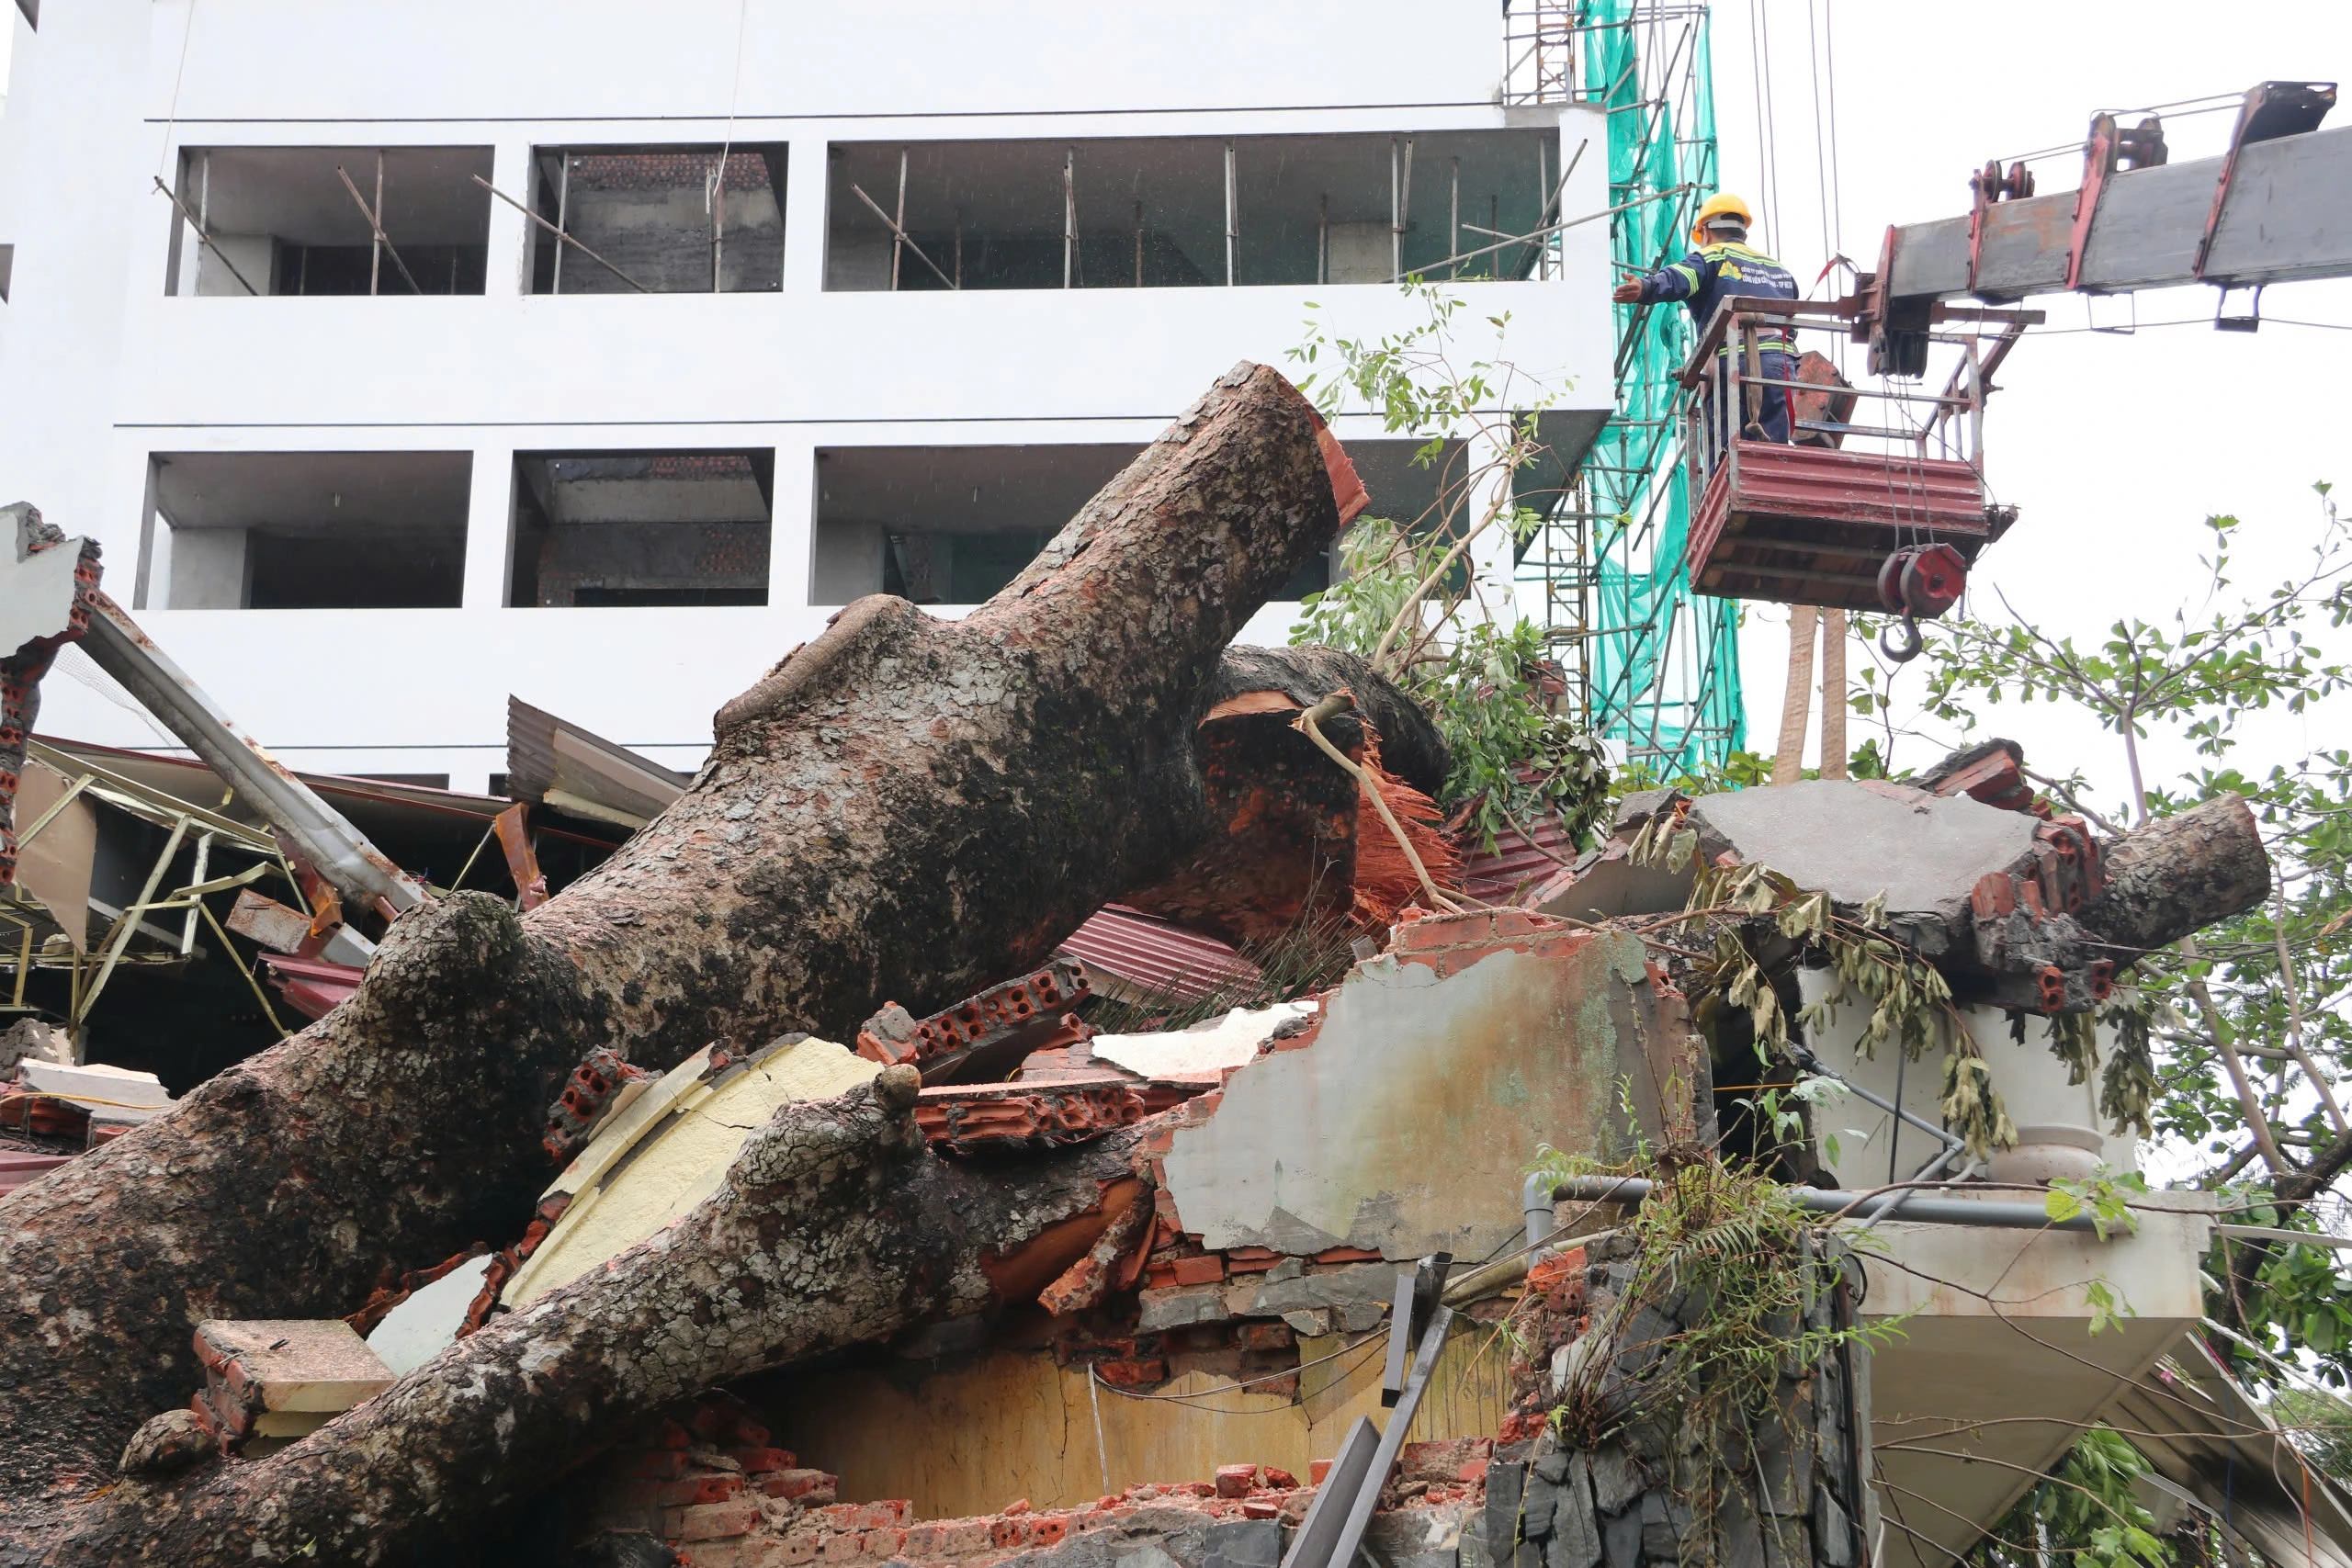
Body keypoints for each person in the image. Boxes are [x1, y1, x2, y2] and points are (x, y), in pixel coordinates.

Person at [1611, 193, 1800, 448]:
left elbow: (1679, 278)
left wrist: (1645, 288)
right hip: (1781, 364)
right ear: (1743, 232)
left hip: (1734, 361)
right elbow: (1792, 318)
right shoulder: (1779, 270)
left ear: (1706, 232)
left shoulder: (1712, 256)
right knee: (1773, 445)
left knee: (1725, 450)